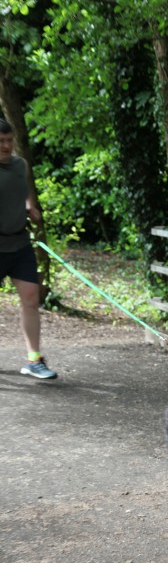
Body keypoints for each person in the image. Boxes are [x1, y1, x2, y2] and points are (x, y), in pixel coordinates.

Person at [0, 118, 57, 379]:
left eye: (9, 140)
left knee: (31, 298)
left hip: (20, 243)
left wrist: (29, 207)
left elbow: (24, 192)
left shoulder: (20, 165)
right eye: (1, 142)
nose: (7, 146)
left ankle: (34, 359)